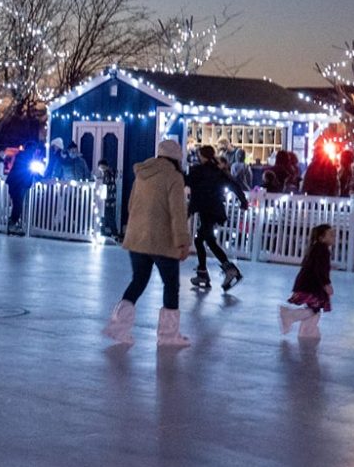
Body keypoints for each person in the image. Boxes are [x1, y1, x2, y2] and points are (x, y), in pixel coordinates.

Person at [102, 138, 192, 348]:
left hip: (138, 238)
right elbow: (178, 212)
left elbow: (132, 204)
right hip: (162, 240)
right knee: (171, 285)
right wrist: (182, 242)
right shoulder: (174, 177)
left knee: (138, 281)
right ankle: (168, 335)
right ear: (177, 158)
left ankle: (118, 326)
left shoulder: (141, 174)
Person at [185, 144, 248, 292]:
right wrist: (243, 201)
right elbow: (234, 185)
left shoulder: (199, 171)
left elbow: (186, 181)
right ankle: (203, 273)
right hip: (214, 210)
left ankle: (228, 270)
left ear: (202, 156)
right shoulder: (217, 171)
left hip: (207, 210)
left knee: (206, 240)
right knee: (201, 239)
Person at [279, 223, 334, 340]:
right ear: (321, 238)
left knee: (314, 308)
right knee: (314, 309)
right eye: (330, 235)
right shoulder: (322, 250)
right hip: (312, 286)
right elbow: (319, 269)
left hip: (309, 284)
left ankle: (307, 331)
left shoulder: (316, 249)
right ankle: (290, 316)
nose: (333, 237)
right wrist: (326, 284)